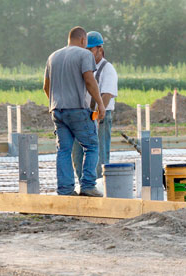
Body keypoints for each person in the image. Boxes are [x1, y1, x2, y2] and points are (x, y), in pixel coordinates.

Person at [43, 26, 105, 196]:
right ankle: (87, 186)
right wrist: (100, 104)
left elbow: (46, 87)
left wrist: (56, 101)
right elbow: (90, 81)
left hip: (57, 110)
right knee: (91, 146)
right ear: (83, 40)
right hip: (77, 109)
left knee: (64, 150)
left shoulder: (52, 57)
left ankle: (65, 190)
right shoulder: (84, 54)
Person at [72, 31, 118, 181]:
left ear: (100, 49)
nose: (87, 53)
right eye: (85, 50)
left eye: (90, 50)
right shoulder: (84, 67)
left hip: (100, 116)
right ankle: (83, 184)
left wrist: (97, 116)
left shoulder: (107, 69)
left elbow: (107, 94)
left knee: (99, 154)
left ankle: (100, 184)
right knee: (77, 154)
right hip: (83, 115)